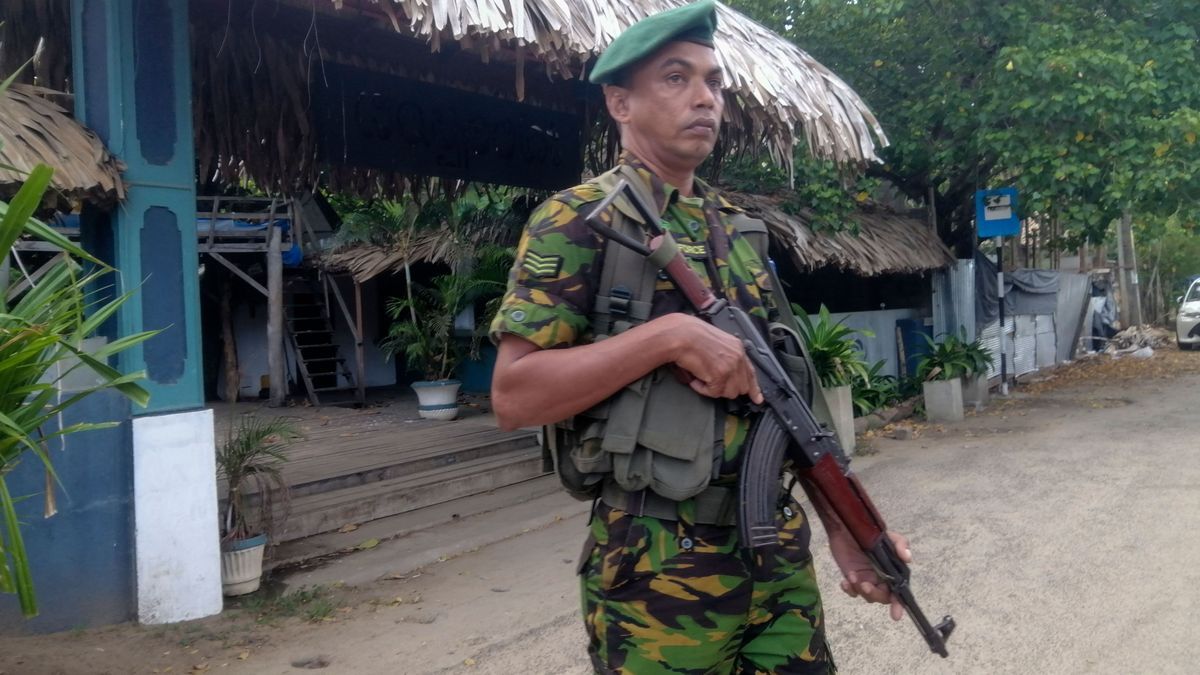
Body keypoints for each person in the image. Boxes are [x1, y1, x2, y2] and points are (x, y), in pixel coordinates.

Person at [489, 2, 910, 672]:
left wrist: (845, 529)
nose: (704, 98)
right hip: (656, 567)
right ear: (620, 101)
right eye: (676, 78)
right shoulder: (577, 221)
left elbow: (787, 405)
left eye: (714, 82)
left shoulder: (741, 230)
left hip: (775, 555)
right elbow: (514, 395)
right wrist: (668, 338)